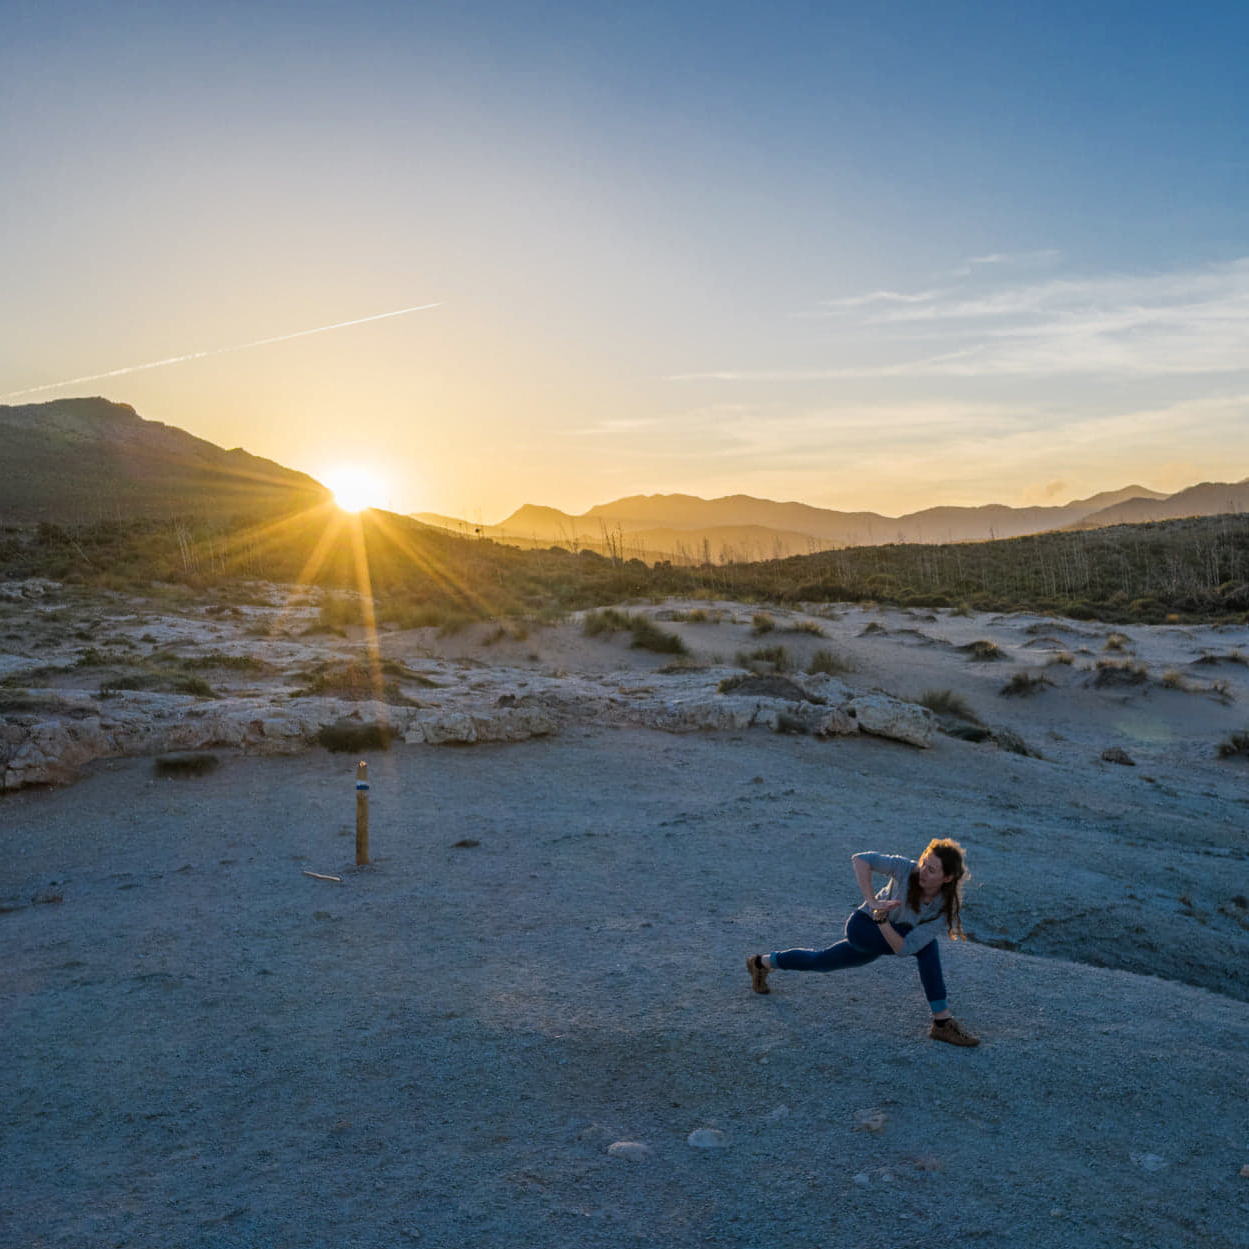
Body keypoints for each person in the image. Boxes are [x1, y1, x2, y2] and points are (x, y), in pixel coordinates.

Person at [746, 839, 979, 1047]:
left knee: (822, 960)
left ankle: (761, 962)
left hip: (887, 933)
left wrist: (884, 922)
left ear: (947, 878)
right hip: (863, 928)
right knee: (927, 947)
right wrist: (872, 902)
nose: (923, 872)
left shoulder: (943, 909)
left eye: (932, 870)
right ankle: (942, 1022)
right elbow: (861, 859)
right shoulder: (906, 869)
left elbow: (904, 949)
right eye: (924, 862)